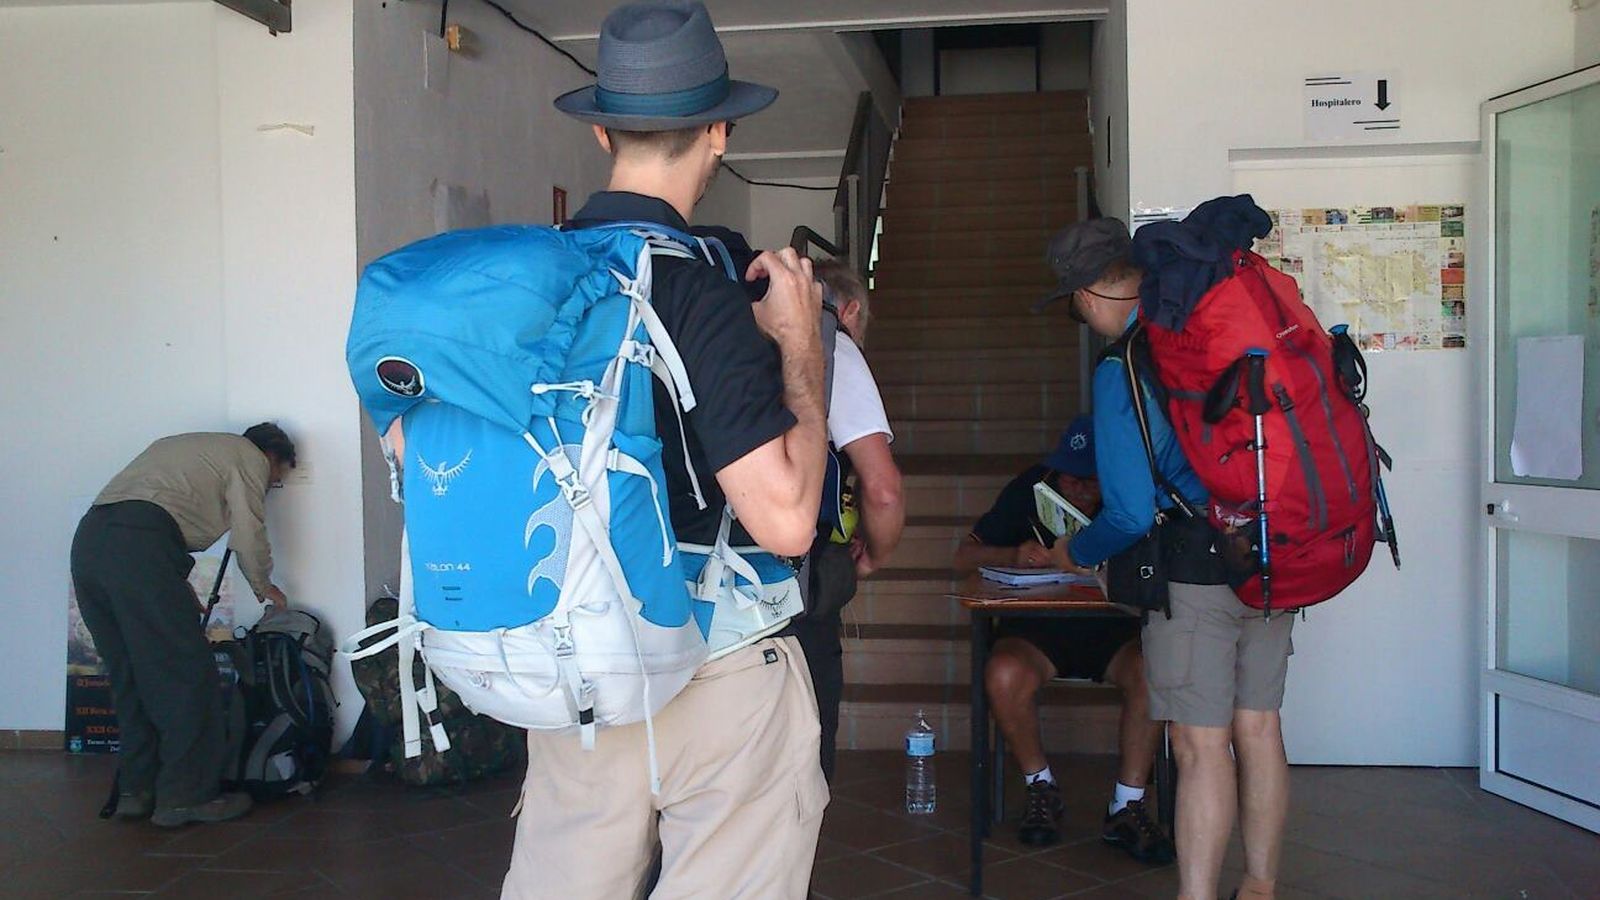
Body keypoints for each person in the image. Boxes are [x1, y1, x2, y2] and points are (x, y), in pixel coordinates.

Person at [505, 4, 831, 898]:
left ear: (603, 128)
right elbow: (790, 519)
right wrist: (801, 347)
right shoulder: (702, 290)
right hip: (719, 667)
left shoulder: (532, 285)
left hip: (577, 663)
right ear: (720, 132)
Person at [1045, 218, 1294, 900]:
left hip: (1194, 572)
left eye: (1074, 300)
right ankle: (1261, 887)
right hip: (1271, 554)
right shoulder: (1216, 331)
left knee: (1200, 743)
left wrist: (1077, 549)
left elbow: (1127, 511)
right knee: (1260, 726)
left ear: (1095, 292)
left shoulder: (1122, 366)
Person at [952, 417, 1174, 862]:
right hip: (1038, 633)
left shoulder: (1133, 494)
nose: (1073, 487)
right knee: (1002, 672)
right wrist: (1011, 554)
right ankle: (1041, 786)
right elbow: (964, 556)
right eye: (1066, 475)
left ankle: (1127, 805)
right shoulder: (1033, 486)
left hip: (1115, 635)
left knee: (1156, 672)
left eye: (1087, 480)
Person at [69, 423, 295, 827]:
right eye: (277, 479)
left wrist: (175, 585)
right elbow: (248, 532)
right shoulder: (248, 456)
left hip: (90, 544)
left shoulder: (185, 447)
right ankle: (185, 797)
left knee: (131, 677)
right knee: (186, 673)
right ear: (273, 457)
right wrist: (264, 586)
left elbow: (149, 521)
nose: (271, 485)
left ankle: (137, 791)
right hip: (140, 549)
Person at [793, 256, 904, 782]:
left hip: (722, 575)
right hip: (803, 578)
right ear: (850, 308)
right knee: (809, 746)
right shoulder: (833, 345)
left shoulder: (740, 338)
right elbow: (882, 490)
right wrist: (874, 557)